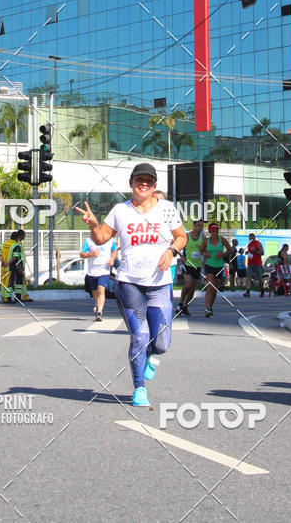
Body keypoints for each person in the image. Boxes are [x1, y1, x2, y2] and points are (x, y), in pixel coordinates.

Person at [76, 162, 186, 407]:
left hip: (159, 285)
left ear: (154, 185)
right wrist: (94, 224)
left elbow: (182, 236)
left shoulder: (167, 209)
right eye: (139, 180)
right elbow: (102, 237)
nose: (143, 184)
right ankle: (139, 389)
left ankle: (150, 356)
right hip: (129, 284)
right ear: (131, 184)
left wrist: (171, 249)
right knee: (139, 335)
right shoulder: (120, 210)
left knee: (161, 343)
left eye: (148, 180)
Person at [80, 231, 117, 322]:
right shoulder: (89, 241)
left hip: (104, 270)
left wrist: (112, 259)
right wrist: (91, 254)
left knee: (101, 290)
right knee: (95, 291)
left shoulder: (109, 240)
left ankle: (99, 312)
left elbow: (114, 250)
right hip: (92, 272)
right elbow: (81, 254)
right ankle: (97, 304)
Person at [200, 223, 231, 317]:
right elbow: (201, 250)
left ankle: (210, 306)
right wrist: (204, 254)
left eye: (216, 231)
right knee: (210, 286)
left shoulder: (222, 240)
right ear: (210, 232)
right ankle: (207, 308)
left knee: (214, 289)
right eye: (213, 231)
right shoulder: (206, 241)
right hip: (209, 266)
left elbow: (230, 250)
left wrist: (222, 254)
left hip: (219, 266)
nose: (215, 233)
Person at [177, 219, 204, 316]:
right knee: (187, 285)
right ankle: (180, 303)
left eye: (202, 226)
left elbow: (204, 249)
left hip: (197, 266)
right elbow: (178, 247)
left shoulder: (202, 237)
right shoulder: (187, 236)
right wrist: (181, 256)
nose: (200, 228)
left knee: (192, 288)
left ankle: (185, 306)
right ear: (194, 225)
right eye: (199, 225)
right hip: (187, 264)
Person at [243, 232, 264, 297]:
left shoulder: (258, 244)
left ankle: (262, 290)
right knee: (248, 277)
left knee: (260, 278)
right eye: (249, 239)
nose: (250, 240)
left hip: (257, 264)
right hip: (250, 263)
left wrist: (255, 250)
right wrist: (248, 252)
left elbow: (262, 252)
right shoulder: (249, 244)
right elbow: (250, 251)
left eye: (251, 239)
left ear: (254, 238)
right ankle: (248, 292)